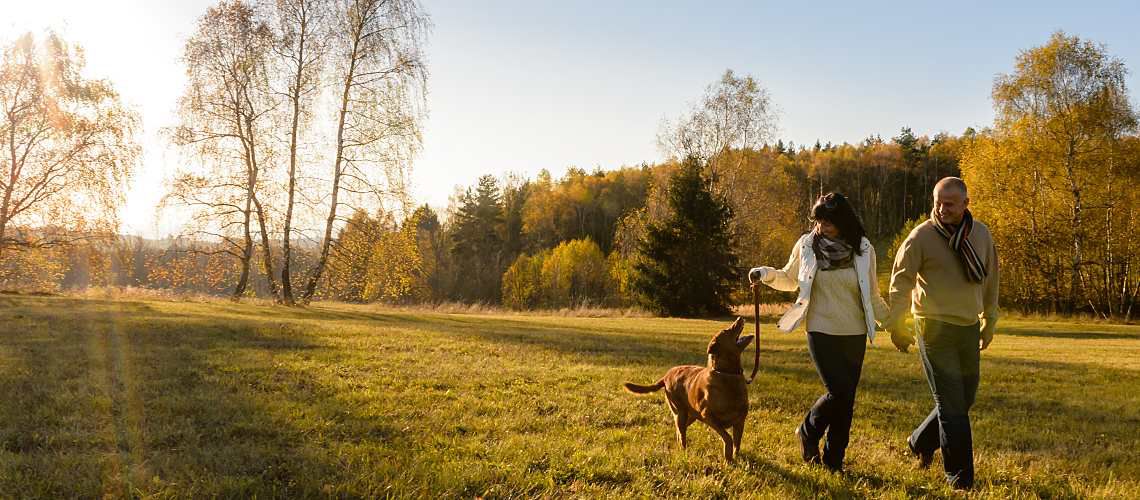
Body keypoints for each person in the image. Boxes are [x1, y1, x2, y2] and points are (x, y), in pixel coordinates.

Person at [749, 192, 888, 472]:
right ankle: (809, 430)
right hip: (820, 328)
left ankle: (834, 461)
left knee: (846, 400)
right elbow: (790, 278)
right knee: (838, 391)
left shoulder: (863, 249)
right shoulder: (807, 245)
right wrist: (765, 274)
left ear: (843, 220)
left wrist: (894, 323)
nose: (822, 225)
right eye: (819, 220)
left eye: (828, 221)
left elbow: (872, 295)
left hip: (854, 332)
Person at [885, 177, 999, 490]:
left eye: (949, 203)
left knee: (965, 399)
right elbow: (900, 282)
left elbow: (990, 279)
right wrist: (897, 324)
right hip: (932, 327)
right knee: (952, 406)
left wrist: (990, 319)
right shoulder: (921, 236)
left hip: (967, 326)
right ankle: (960, 479)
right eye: (937, 201)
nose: (941, 208)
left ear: (966, 204)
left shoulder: (981, 234)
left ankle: (919, 441)